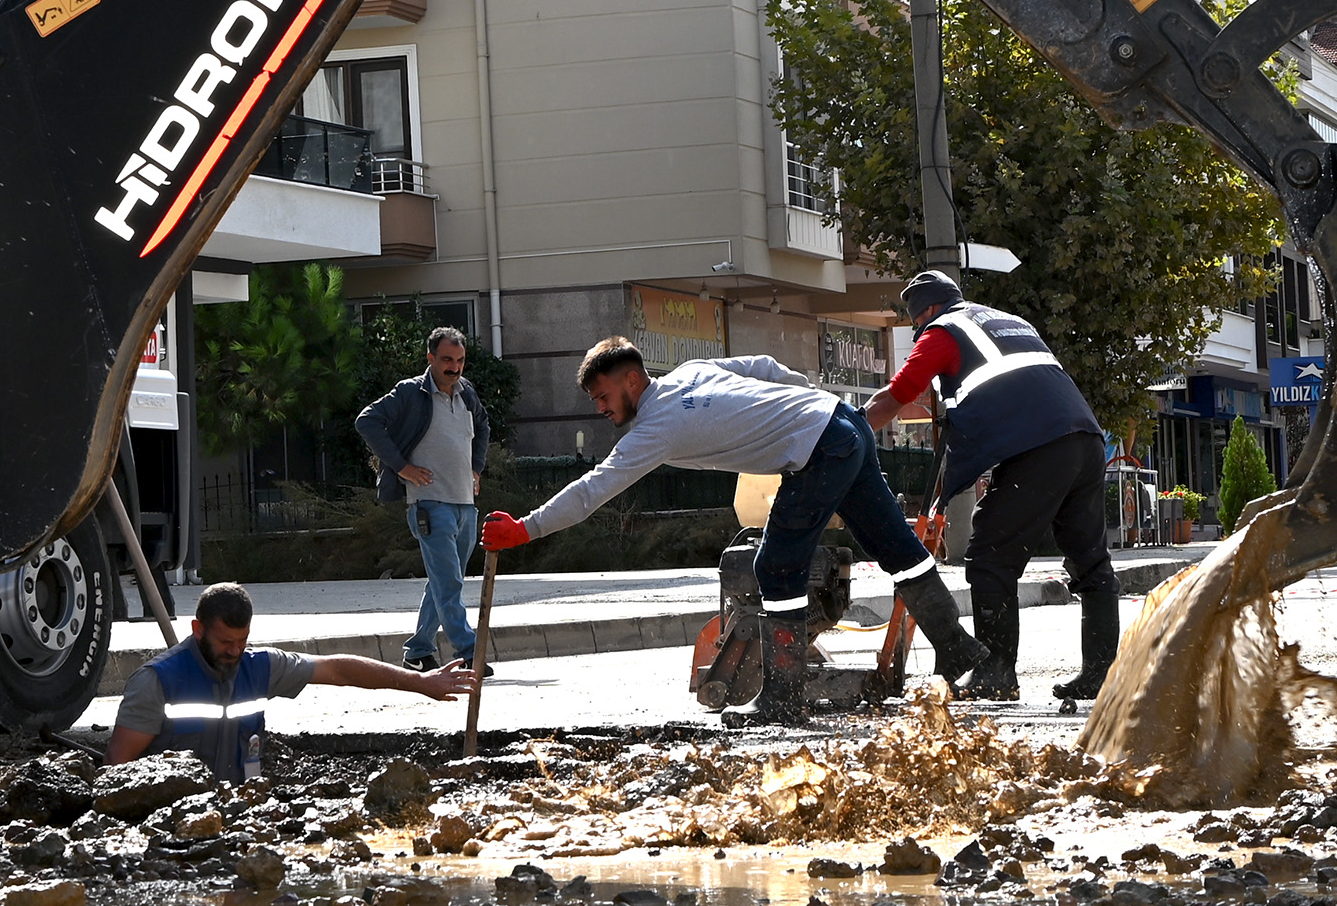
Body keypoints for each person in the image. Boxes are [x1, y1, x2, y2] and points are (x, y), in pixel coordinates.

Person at [484, 336, 988, 727]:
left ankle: (784, 699)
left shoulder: (655, 428)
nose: (600, 408)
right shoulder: (690, 372)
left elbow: (592, 490)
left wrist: (525, 529)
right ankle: (958, 647)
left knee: (775, 565)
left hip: (819, 447)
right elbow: (767, 368)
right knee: (895, 547)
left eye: (603, 396)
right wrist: (814, 402)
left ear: (632, 379)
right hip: (843, 423)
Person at [865, 269, 1119, 707]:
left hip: (1040, 449)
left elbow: (899, 393)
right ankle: (1101, 676)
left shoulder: (942, 333)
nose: (917, 330)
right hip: (1085, 440)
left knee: (989, 558)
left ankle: (996, 673)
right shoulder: (1008, 321)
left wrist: (846, 429)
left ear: (925, 311)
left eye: (915, 322)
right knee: (1091, 563)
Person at [105, 582, 474, 783]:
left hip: (237, 816)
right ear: (197, 630)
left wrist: (420, 682)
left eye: (242, 641)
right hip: (173, 829)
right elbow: (115, 775)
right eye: (224, 642)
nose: (234, 651)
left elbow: (339, 670)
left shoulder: (261, 667)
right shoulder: (156, 682)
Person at [353, 326, 491, 672]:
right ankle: (469, 651)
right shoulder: (410, 393)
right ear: (430, 358)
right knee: (449, 582)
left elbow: (484, 426)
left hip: (464, 504)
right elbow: (366, 421)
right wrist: (402, 467)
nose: (454, 367)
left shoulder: (466, 393)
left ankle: (418, 650)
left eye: (460, 360)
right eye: (447, 359)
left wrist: (476, 468)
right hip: (429, 504)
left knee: (443, 581)